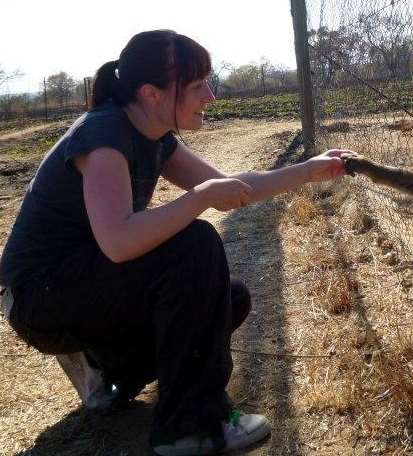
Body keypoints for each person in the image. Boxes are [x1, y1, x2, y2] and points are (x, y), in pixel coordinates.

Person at [0, 29, 354, 455]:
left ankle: (109, 369)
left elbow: (231, 187)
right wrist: (199, 200)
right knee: (196, 245)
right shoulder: (104, 137)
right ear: (151, 93)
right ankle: (190, 427)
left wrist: (309, 170)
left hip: (81, 286)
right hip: (39, 297)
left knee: (229, 299)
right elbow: (118, 242)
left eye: (209, 81)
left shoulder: (154, 136)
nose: (211, 95)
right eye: (196, 85)